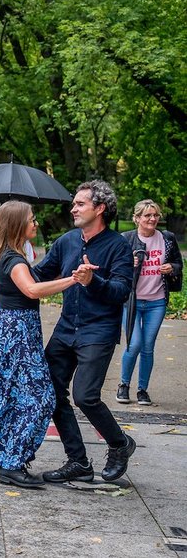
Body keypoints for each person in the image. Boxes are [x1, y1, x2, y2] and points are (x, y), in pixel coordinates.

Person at [33, 180, 135, 484]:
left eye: (80, 204)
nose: (73, 209)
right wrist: (7, 271)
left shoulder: (118, 246)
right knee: (51, 392)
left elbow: (121, 291)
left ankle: (119, 443)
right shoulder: (66, 241)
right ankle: (78, 461)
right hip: (66, 328)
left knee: (85, 396)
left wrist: (93, 281)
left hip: (98, 331)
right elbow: (39, 274)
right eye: (74, 204)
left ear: (99, 208)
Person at [0, 201, 76, 488]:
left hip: (5, 328)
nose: (36, 223)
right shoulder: (14, 259)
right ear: (17, 224)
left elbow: (20, 281)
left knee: (2, 393)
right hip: (17, 333)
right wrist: (72, 280)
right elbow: (31, 289)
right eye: (31, 219)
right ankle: (12, 463)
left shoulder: (1, 253)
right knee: (41, 397)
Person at [117, 199, 183, 406]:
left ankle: (142, 390)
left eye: (155, 215)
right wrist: (129, 263)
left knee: (147, 347)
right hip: (132, 301)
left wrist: (171, 267)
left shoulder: (167, 238)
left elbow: (178, 263)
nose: (153, 219)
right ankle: (123, 384)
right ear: (137, 218)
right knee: (134, 343)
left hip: (157, 301)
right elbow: (114, 269)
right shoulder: (126, 239)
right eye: (147, 215)